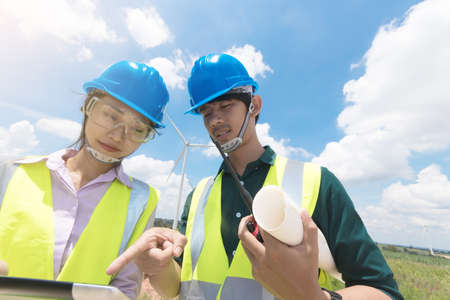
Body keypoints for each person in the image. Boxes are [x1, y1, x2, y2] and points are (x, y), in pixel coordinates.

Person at [109, 53, 404, 300]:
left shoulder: (317, 182)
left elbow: (383, 292)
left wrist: (314, 296)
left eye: (226, 106)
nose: (216, 121)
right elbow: (177, 287)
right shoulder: (197, 195)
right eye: (206, 113)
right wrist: (159, 268)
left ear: (255, 106)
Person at [0, 60, 185, 300]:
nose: (118, 135)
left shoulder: (142, 200)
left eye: (138, 129)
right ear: (88, 106)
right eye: (110, 116)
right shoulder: (11, 172)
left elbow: (125, 289)